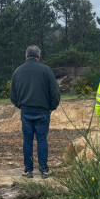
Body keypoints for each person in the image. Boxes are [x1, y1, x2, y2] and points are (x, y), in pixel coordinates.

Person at [10, 46, 61, 178]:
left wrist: (21, 105)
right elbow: (55, 92)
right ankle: (44, 170)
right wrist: (51, 107)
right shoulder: (46, 70)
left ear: (26, 56)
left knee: (27, 140)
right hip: (43, 111)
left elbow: (13, 96)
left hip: (26, 111)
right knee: (42, 140)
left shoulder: (18, 71)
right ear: (39, 56)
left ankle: (28, 170)